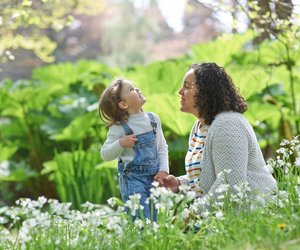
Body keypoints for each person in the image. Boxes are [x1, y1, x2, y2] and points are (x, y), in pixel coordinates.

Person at [162, 63, 277, 208]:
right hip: (222, 215)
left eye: (187, 86)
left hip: (254, 213)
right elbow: (211, 175)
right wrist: (180, 184)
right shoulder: (200, 127)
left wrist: (192, 214)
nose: (180, 91)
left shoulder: (228, 124)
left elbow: (230, 183)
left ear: (206, 92)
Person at [99, 78, 169, 220]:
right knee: (140, 218)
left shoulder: (153, 120)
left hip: (154, 177)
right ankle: (143, 241)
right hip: (133, 180)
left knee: (156, 218)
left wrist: (164, 170)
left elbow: (162, 147)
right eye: (131, 89)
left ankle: (153, 242)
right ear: (123, 104)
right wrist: (121, 143)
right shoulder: (119, 127)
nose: (137, 89)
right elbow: (105, 154)